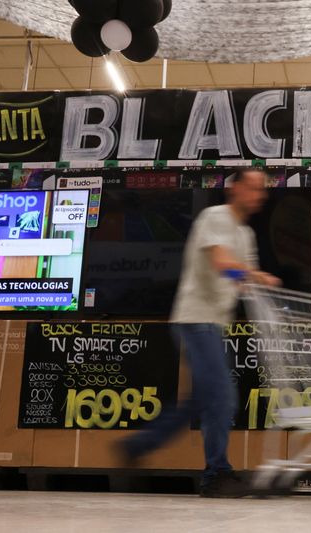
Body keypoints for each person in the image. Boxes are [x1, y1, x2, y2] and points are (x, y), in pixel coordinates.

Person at [119, 168, 280, 498]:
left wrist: (262, 290)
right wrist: (257, 275)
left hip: (215, 325)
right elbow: (224, 265)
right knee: (222, 396)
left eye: (262, 190)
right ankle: (216, 473)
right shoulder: (214, 217)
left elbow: (242, 281)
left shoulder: (245, 234)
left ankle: (138, 445)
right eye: (253, 188)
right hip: (194, 319)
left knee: (203, 398)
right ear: (234, 189)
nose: (260, 195)